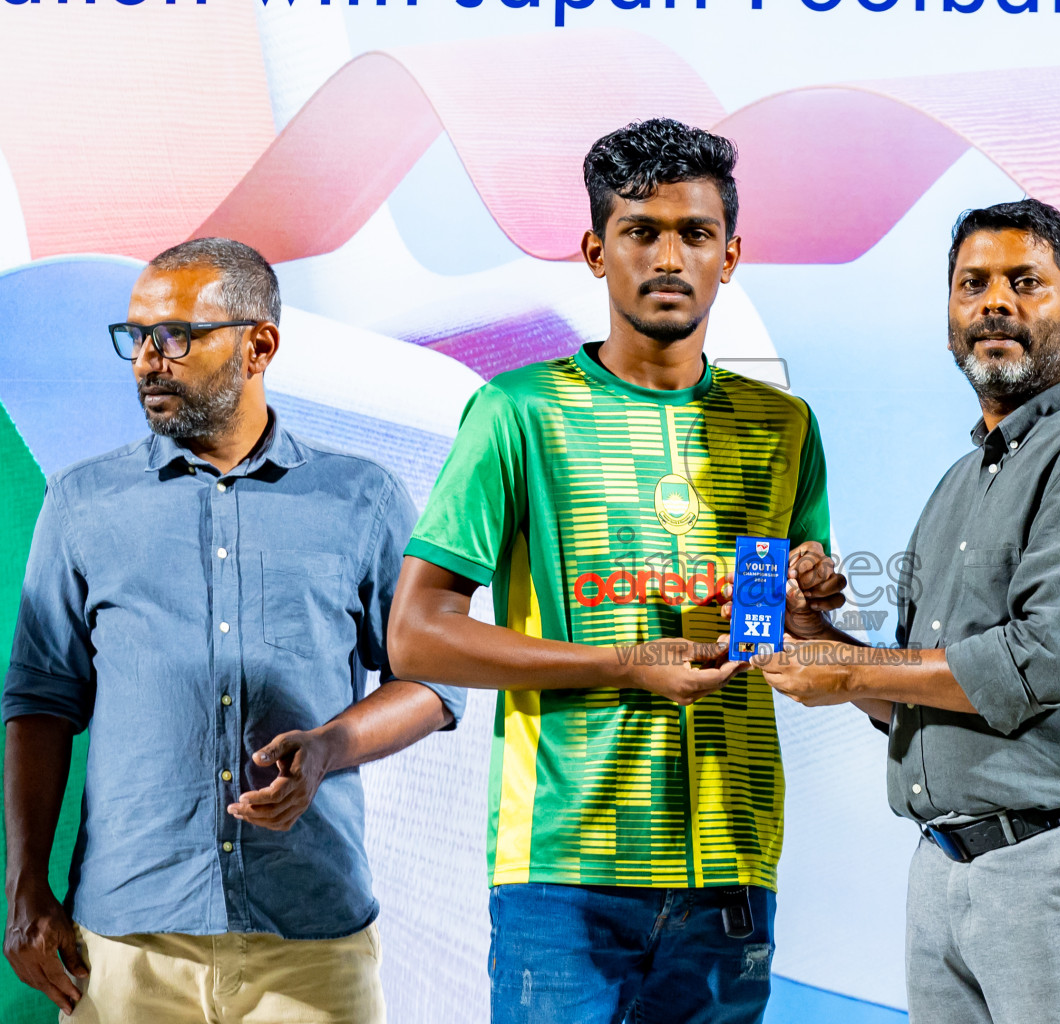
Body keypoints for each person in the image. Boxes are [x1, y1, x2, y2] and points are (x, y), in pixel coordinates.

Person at [387, 119, 845, 1024]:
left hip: (733, 868)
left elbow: (765, 632)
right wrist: (625, 663)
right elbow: (415, 633)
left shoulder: (782, 424)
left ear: (731, 255)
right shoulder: (517, 411)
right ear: (597, 252)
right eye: (642, 232)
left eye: (695, 234)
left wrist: (802, 606)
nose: (669, 256)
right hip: (564, 872)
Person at [2, 238, 466, 1023]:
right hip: (126, 945)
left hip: (311, 937)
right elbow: (41, 701)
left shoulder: (363, 497)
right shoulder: (82, 502)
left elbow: (431, 681)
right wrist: (24, 887)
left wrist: (328, 749)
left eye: (176, 336)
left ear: (259, 345)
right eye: (137, 337)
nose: (149, 359)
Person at [756, 199, 1060, 1024]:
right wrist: (821, 641)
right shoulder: (959, 484)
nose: (995, 303)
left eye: (1027, 283)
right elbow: (922, 690)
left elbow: (1043, 663)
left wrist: (846, 668)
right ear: (951, 322)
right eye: (972, 285)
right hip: (945, 869)